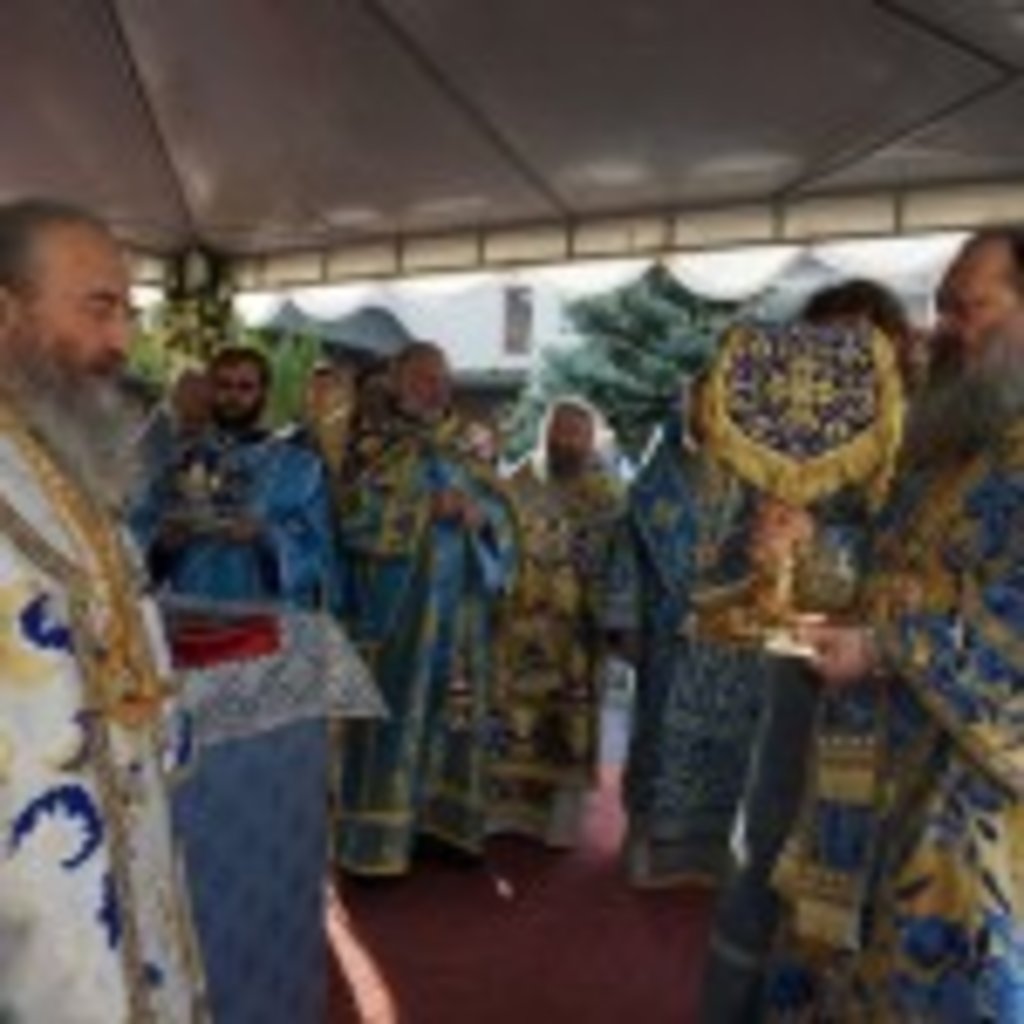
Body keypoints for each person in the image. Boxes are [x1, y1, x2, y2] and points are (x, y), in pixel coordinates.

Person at [761, 234, 1024, 1021]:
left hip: (970, 808)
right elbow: (886, 566)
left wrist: (886, 646)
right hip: (869, 765)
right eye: (942, 307)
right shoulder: (952, 444)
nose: (944, 328)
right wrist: (810, 546)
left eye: (969, 307)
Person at [0, 198, 201, 1021]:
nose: (122, 342)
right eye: (98, 307)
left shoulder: (67, 462)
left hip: (124, 876)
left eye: (128, 313)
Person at [698, 279, 913, 1022]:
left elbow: (915, 575)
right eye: (816, 347)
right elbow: (716, 588)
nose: (826, 368)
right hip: (794, 701)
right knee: (762, 861)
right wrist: (762, 556)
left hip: (886, 716)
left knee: (864, 894)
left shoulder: (923, 451)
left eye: (851, 347)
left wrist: (819, 543)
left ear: (890, 352)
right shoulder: (773, 453)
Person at [336, 341, 518, 876]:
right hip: (399, 609)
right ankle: (377, 841)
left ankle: (445, 826)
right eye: (420, 378)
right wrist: (423, 508)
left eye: (440, 379)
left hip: (462, 608)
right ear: (396, 382)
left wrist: (483, 517)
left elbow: (504, 512)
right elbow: (348, 516)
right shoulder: (368, 443)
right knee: (393, 717)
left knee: (455, 712)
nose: (433, 389)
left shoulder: (469, 445)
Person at [602, 376, 764, 887]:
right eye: (699, 402)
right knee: (660, 736)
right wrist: (625, 621)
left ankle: (715, 850)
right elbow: (627, 555)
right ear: (684, 408)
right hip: (667, 630)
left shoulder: (755, 477)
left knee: (730, 741)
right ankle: (651, 844)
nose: (709, 413)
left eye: (719, 402)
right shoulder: (653, 483)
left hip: (735, 636)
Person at [490, 398, 623, 848]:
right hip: (518, 627)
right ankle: (507, 816)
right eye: (559, 431)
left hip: (577, 633)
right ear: (544, 433)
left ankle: (558, 825)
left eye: (576, 433)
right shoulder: (515, 482)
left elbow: (617, 560)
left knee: (569, 722)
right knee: (516, 718)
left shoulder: (608, 494)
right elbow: (495, 547)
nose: (566, 441)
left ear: (591, 440)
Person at [134, 346, 336, 609]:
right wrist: (162, 541)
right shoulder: (176, 461)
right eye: (224, 385)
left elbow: (319, 553)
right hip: (186, 608)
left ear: (263, 393)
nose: (233, 396)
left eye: (245, 387)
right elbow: (135, 532)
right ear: (210, 390)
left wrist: (265, 535)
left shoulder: (300, 469)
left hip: (262, 614)